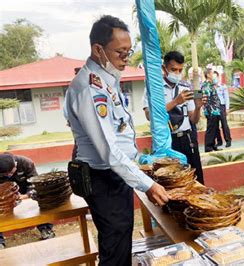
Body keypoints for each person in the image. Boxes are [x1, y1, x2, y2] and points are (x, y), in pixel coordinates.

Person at [64, 15, 169, 265]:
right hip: (104, 178)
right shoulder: (90, 88)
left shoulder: (106, 81)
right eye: (120, 52)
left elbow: (119, 133)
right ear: (98, 49)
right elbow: (108, 150)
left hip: (114, 174)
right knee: (115, 243)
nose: (126, 58)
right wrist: (148, 185)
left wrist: (138, 160)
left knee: (120, 239)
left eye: (129, 52)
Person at [142, 51, 206, 184]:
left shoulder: (185, 88)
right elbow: (149, 115)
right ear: (164, 68)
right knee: (172, 182)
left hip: (188, 139)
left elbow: (193, 120)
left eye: (180, 70)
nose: (177, 73)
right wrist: (175, 102)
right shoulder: (154, 90)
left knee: (196, 179)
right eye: (173, 69)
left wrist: (198, 107)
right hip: (167, 143)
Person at [0, 154, 55, 249]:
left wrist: (25, 196)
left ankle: (46, 229)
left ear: (15, 165)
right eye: (5, 174)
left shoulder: (26, 163)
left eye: (10, 173)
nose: (8, 175)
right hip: (5, 193)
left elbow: (35, 184)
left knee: (40, 196)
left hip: (25, 189)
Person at [202, 69, 222, 152]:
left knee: (215, 128)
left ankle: (213, 145)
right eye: (212, 73)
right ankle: (208, 146)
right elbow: (203, 98)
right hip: (211, 111)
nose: (213, 75)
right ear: (208, 75)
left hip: (216, 110)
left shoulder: (211, 85)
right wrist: (205, 109)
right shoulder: (205, 85)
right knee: (210, 129)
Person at [214, 71, 232, 148]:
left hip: (221, 106)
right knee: (215, 125)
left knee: (224, 124)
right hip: (213, 107)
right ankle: (219, 141)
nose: (214, 79)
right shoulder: (209, 86)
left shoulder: (222, 86)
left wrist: (227, 108)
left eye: (215, 77)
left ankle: (228, 140)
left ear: (218, 77)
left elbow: (226, 97)